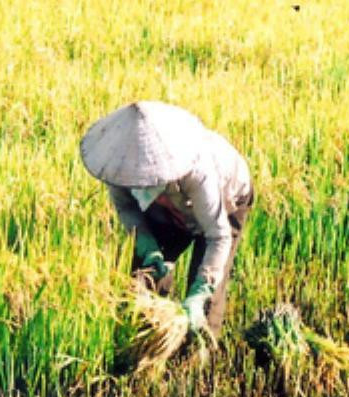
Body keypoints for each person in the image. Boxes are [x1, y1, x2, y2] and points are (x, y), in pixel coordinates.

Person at [80, 101, 253, 337]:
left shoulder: (197, 170)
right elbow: (127, 209)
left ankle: (196, 354)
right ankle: (146, 344)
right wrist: (149, 248)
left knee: (206, 303)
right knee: (143, 279)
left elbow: (217, 235)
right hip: (165, 209)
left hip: (225, 202)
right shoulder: (118, 167)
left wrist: (202, 288)